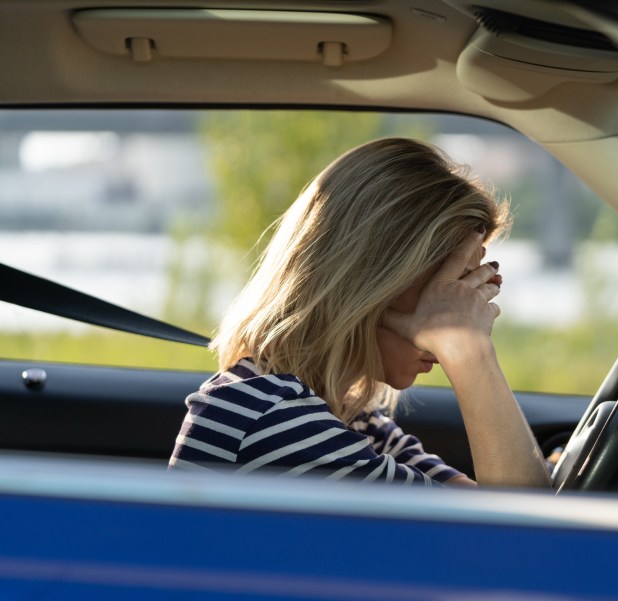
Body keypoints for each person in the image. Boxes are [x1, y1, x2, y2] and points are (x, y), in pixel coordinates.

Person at [169, 138, 550, 488]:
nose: (465, 307)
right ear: (373, 284)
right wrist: (466, 348)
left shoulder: (348, 416)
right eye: (448, 288)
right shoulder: (273, 421)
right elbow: (522, 538)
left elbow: (499, 511)